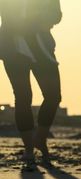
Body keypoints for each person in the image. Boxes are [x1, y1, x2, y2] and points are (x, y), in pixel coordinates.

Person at [0, 0, 62, 164]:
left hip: (41, 47)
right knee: (23, 96)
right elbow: (9, 19)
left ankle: (40, 139)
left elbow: (56, 14)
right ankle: (28, 149)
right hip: (12, 48)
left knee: (53, 96)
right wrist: (37, 21)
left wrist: (36, 21)